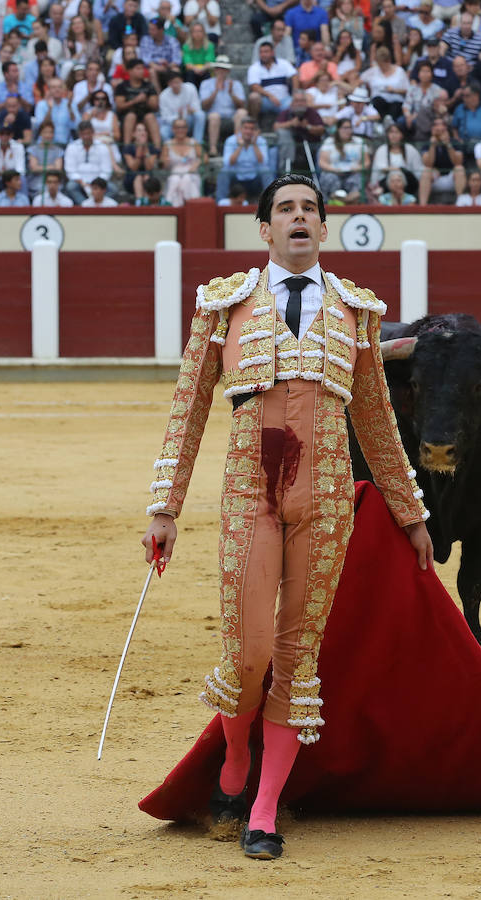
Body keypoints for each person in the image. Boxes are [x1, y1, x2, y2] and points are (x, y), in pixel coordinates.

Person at [140, 172, 431, 859]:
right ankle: (234, 752)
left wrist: (409, 510)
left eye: (309, 209)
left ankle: (264, 808)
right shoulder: (223, 305)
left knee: (297, 659)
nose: (298, 218)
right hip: (249, 491)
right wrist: (165, 509)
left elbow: (377, 420)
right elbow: (188, 410)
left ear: (323, 229)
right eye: (285, 210)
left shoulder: (356, 310)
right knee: (248, 652)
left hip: (327, 497)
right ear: (264, 230)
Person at [215, 116, 272, 202]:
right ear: (240, 129)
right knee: (224, 171)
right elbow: (228, 163)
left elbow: (263, 162)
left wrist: (254, 144)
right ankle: (221, 203)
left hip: (254, 179)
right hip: (236, 178)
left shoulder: (261, 141)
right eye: (246, 128)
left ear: (256, 131)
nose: (248, 131)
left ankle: (269, 202)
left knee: (266, 171)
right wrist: (240, 146)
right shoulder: (231, 140)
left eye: (252, 129)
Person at [199, 56, 247, 157]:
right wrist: (215, 91)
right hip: (214, 115)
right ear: (215, 70)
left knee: (242, 113)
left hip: (232, 115)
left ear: (228, 71)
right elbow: (204, 106)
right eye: (218, 68)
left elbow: (242, 105)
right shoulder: (206, 83)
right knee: (214, 116)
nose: (221, 71)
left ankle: (238, 141)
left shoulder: (236, 84)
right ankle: (213, 148)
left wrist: (231, 93)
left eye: (224, 69)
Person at [317, 116, 369, 202]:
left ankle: (348, 200)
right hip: (334, 172)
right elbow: (322, 162)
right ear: (338, 129)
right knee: (330, 178)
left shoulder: (359, 142)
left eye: (349, 128)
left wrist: (357, 168)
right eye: (345, 128)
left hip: (353, 173)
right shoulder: (329, 142)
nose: (348, 131)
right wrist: (334, 170)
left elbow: (366, 162)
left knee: (358, 179)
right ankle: (340, 200)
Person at [273, 88, 324, 174]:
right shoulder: (287, 112)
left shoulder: (312, 112)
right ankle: (283, 174)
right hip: (290, 146)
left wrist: (307, 126)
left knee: (322, 151)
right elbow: (276, 127)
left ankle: (317, 180)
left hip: (311, 147)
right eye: (297, 101)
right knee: (274, 150)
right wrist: (290, 123)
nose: (300, 103)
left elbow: (321, 130)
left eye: (302, 101)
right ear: (292, 102)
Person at [418, 113, 466, 202]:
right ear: (432, 129)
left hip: (452, 178)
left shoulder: (455, 142)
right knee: (426, 171)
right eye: (436, 125)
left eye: (442, 125)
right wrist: (432, 145)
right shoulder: (427, 143)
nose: (439, 128)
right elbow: (428, 164)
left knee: (459, 169)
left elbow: (458, 162)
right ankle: (422, 207)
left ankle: (461, 204)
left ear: (446, 129)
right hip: (435, 178)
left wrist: (448, 144)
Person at [64, 119, 114, 203]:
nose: (86, 137)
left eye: (88, 133)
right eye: (83, 134)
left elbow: (107, 171)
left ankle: (98, 206)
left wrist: (96, 185)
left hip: (99, 181)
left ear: (93, 132)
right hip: (79, 182)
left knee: (113, 189)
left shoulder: (102, 147)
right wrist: (82, 182)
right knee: (71, 187)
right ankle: (85, 206)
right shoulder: (72, 147)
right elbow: (70, 171)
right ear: (79, 134)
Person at [246, 39, 297, 121]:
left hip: (284, 100)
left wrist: (295, 93)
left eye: (266, 52)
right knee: (253, 97)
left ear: (273, 52)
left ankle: (289, 128)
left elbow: (294, 76)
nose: (263, 54)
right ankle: (253, 124)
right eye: (261, 52)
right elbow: (254, 86)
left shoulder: (283, 63)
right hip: (265, 101)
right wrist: (270, 96)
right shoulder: (254, 67)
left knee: (298, 101)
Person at [114, 56, 160, 146]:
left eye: (143, 68)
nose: (142, 71)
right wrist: (135, 101)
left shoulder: (148, 86)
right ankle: (126, 148)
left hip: (145, 114)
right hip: (127, 115)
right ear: (130, 71)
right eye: (138, 68)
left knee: (150, 116)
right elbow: (119, 107)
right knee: (131, 116)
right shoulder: (122, 86)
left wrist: (146, 100)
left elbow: (155, 106)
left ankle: (157, 148)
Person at [369, 121, 422, 197]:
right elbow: (382, 168)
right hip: (386, 183)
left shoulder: (410, 149)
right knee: (395, 178)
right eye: (391, 132)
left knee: (402, 177)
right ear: (388, 135)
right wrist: (399, 169)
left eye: (397, 132)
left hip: (408, 185)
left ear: (402, 135)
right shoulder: (382, 149)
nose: (394, 135)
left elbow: (418, 169)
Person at [160, 116, 203, 205]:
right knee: (174, 180)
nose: (180, 130)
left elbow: (204, 158)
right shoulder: (167, 145)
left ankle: (191, 205)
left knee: (187, 180)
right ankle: (174, 208)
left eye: (183, 127)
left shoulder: (194, 143)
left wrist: (197, 163)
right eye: (178, 127)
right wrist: (165, 163)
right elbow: (162, 164)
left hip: (191, 174)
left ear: (187, 129)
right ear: (173, 129)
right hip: (175, 174)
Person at [158, 71, 205, 144]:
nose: (175, 85)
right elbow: (165, 118)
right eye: (172, 83)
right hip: (173, 124)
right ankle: (171, 150)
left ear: (181, 81)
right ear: (168, 84)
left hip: (188, 120)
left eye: (177, 82)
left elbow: (197, 108)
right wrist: (178, 116)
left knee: (200, 115)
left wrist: (190, 112)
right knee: (163, 132)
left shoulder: (190, 88)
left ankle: (197, 143)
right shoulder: (163, 96)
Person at [452, 81, 481, 145]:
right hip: (465, 145)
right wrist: (457, 139)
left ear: (476, 95)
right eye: (462, 96)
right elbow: (454, 127)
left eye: (467, 96)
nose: (464, 99)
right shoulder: (460, 108)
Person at [181, 20, 216, 87]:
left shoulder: (210, 46)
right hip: (191, 71)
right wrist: (197, 69)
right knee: (190, 74)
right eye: (195, 31)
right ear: (191, 33)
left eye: (200, 31)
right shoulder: (186, 46)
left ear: (204, 33)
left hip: (205, 70)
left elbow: (209, 63)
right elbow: (188, 64)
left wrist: (201, 69)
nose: (197, 34)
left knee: (207, 74)